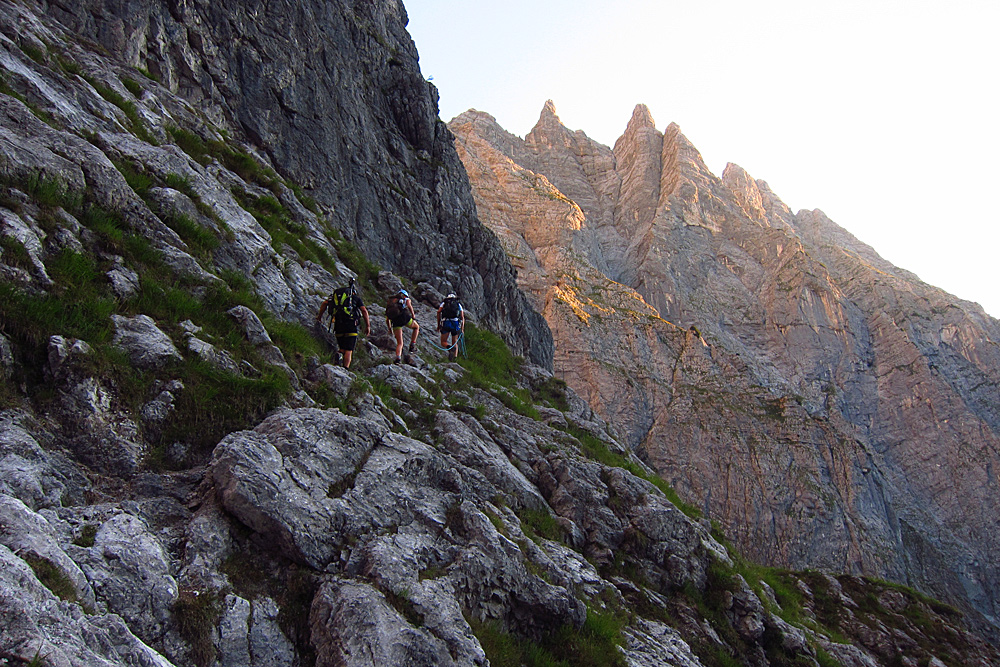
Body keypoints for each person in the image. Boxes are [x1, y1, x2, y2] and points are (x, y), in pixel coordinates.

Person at [315, 279, 370, 369]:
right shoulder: (356, 299)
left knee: (342, 347)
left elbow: (325, 303)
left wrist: (319, 317)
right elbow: (364, 310)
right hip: (351, 325)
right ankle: (345, 368)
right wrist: (368, 326)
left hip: (338, 324)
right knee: (349, 349)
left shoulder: (336, 300)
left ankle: (338, 355)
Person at [385, 289, 419, 363]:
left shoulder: (391, 303)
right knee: (416, 327)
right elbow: (409, 306)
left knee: (400, 343)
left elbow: (387, 319)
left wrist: (390, 329)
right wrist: (413, 316)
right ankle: (412, 345)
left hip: (395, 322)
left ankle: (398, 359)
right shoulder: (406, 299)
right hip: (404, 318)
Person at [437, 293, 464, 360]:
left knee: (443, 341)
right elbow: (462, 316)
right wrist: (462, 329)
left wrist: (438, 324)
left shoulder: (444, 303)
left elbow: (438, 312)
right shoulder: (458, 304)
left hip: (446, 322)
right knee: (455, 342)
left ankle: (450, 348)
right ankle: (454, 358)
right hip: (455, 323)